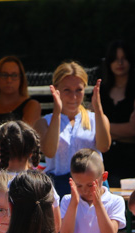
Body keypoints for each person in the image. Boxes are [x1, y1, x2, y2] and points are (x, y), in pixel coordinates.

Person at [35, 61, 111, 197]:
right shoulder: (44, 122)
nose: (74, 96)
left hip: (92, 185)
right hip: (59, 184)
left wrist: (98, 109)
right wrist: (57, 112)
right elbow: (49, 151)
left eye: (79, 90)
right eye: (67, 90)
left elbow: (104, 146)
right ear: (56, 89)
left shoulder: (96, 118)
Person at [99, 40, 135, 187]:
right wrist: (120, 130)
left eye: (124, 58)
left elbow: (134, 130)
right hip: (103, 156)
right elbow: (92, 127)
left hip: (129, 157)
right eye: (115, 59)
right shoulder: (101, 91)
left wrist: (103, 128)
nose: (120, 63)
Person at [0, 56, 41, 142]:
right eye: (4, 75)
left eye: (14, 75)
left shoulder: (31, 105)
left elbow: (24, 138)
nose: (9, 80)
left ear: (21, 79)